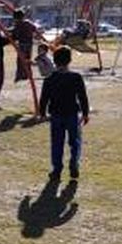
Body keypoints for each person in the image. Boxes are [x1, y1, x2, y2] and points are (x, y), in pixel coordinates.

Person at [39, 46, 90, 180]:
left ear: (54, 61)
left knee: (57, 143)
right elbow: (82, 96)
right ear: (69, 61)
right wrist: (85, 113)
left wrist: (42, 113)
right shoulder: (76, 77)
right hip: (72, 114)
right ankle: (74, 163)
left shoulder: (49, 79)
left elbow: (44, 98)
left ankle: (57, 169)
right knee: (75, 141)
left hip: (55, 115)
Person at [11, 9, 35, 82]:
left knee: (20, 60)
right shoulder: (28, 23)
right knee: (27, 59)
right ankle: (28, 74)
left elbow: (15, 35)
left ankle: (20, 75)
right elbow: (34, 28)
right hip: (29, 44)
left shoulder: (18, 24)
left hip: (22, 44)